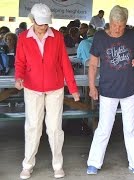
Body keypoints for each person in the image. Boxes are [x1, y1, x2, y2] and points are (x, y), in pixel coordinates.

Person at [14, 3, 80, 179]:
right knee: (33, 127)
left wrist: (73, 88)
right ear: (32, 20)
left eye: (45, 24)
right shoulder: (23, 38)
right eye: (40, 23)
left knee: (54, 128)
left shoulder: (57, 36)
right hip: (32, 88)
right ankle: (27, 165)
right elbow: (20, 62)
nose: (43, 27)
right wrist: (19, 77)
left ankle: (57, 165)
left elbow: (65, 63)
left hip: (55, 89)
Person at [86, 5, 134, 175]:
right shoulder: (99, 37)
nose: (117, 29)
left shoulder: (132, 35)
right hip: (107, 89)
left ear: (126, 23)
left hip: (129, 89)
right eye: (114, 25)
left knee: (130, 127)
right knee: (104, 127)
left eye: (121, 26)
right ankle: (94, 162)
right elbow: (92, 64)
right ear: (109, 22)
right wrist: (92, 86)